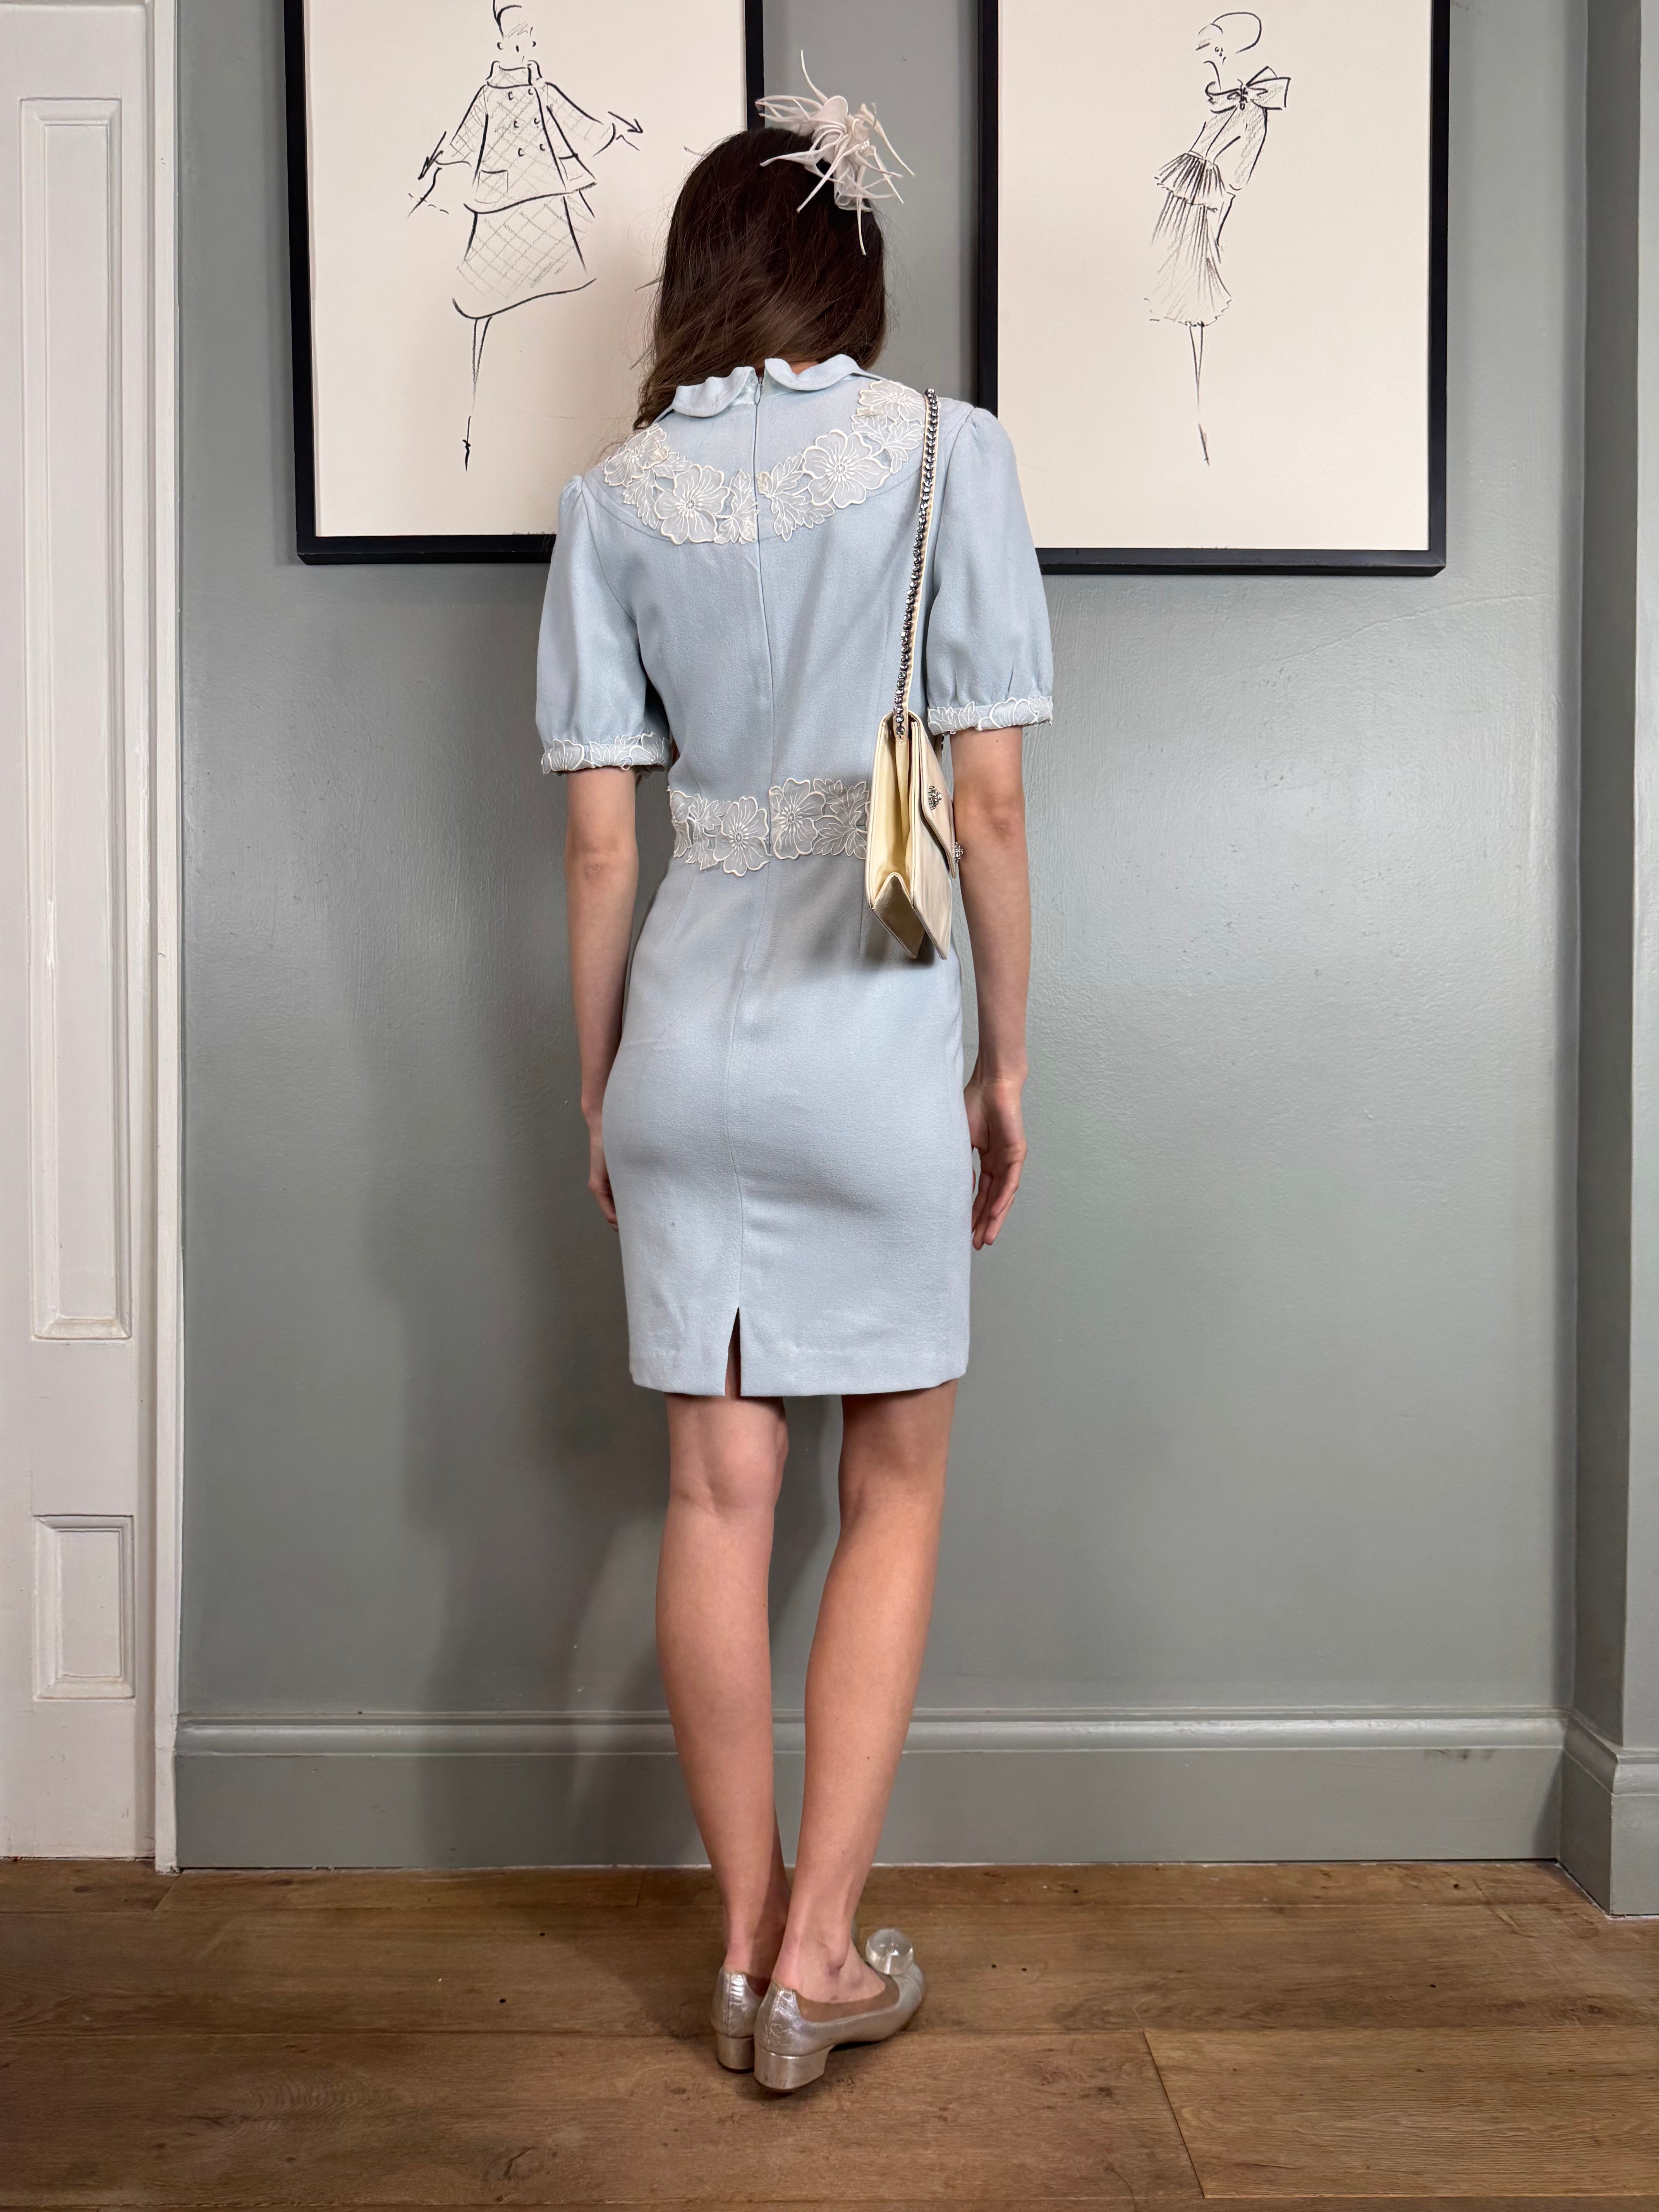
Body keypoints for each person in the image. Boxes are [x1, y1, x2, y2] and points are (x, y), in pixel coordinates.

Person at [536, 88, 1052, 2094]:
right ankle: (824, 1955)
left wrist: (602, 1085)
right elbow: (985, 809)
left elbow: (602, 849)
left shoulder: (612, 500)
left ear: (703, 275)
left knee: (712, 1493)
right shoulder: (946, 453)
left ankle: (744, 1944)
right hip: (874, 1033)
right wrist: (1006, 1062)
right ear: (850, 269)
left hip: (685, 1036)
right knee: (891, 1484)